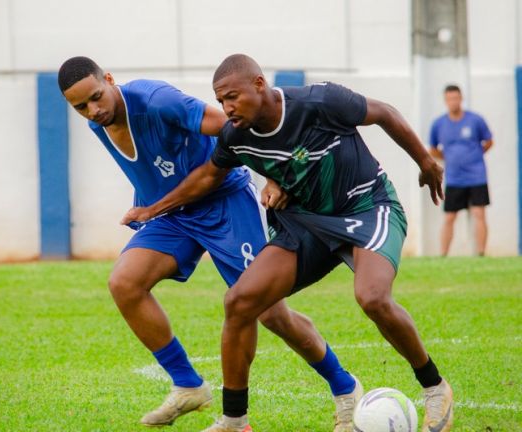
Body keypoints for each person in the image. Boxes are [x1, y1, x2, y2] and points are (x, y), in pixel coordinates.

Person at [122, 54, 454, 432]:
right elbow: (209, 176)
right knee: (240, 302)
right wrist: (153, 209)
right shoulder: (236, 134)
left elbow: (385, 113)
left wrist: (425, 162)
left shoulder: (320, 102)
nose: (227, 108)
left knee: (373, 297)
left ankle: (435, 387)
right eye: (220, 101)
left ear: (259, 85)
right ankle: (235, 419)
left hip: (366, 206)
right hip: (307, 222)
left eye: (233, 97)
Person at [57, 56, 363, 431]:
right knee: (125, 282)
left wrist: (274, 175)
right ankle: (188, 386)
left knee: (270, 313)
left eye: (96, 97)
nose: (93, 110)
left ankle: (344, 387)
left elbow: (232, 127)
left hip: (224, 202)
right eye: (80, 107)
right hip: (171, 213)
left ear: (108, 78)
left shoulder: (156, 100)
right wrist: (147, 204)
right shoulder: (99, 124)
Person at [430, 84, 493, 256]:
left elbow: (488, 141)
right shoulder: (439, 124)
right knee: (449, 216)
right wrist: (450, 158)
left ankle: (481, 253)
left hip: (476, 176)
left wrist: (473, 156)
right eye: (449, 99)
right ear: (445, 100)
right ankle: (443, 255)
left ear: (461, 98)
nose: (453, 102)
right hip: (454, 178)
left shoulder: (475, 120)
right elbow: (432, 149)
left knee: (478, 213)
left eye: (456, 98)